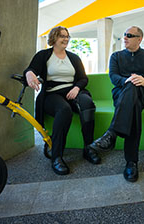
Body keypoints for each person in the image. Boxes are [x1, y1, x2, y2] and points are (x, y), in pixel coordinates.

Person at [24, 26, 101, 175]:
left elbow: (83, 78)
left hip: (72, 91)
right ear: (53, 38)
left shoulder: (73, 57)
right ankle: (57, 156)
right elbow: (31, 69)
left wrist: (77, 88)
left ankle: (88, 148)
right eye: (62, 36)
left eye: (67, 36)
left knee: (87, 105)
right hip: (51, 94)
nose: (66, 39)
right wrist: (29, 74)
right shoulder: (44, 55)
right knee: (64, 110)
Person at [89, 26, 144, 182]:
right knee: (132, 96)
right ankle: (131, 162)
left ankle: (112, 133)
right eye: (124, 35)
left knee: (134, 86)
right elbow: (113, 77)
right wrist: (126, 80)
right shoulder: (116, 56)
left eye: (129, 35)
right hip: (121, 95)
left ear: (139, 39)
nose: (125, 38)